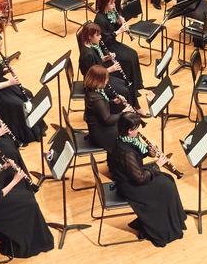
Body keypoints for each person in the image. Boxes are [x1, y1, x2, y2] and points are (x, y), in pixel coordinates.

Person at [106, 112, 187, 247]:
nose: (138, 130)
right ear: (129, 130)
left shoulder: (124, 139)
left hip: (132, 176)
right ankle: (162, 228)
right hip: (130, 186)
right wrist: (157, 164)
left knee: (168, 179)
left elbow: (134, 160)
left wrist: (148, 152)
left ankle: (175, 220)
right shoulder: (126, 152)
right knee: (166, 186)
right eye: (136, 127)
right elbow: (140, 178)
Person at [0, 132, 54, 258]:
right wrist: (15, 180)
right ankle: (24, 243)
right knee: (29, 204)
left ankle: (27, 237)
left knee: (27, 196)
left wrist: (3, 168)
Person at [0, 32, 46, 144]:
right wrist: (10, 82)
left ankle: (35, 128)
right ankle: (25, 135)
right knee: (19, 105)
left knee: (28, 94)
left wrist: (6, 70)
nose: (0, 49)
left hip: (0, 85)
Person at [77, 22, 141, 111]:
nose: (100, 37)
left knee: (126, 83)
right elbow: (93, 74)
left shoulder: (91, 46)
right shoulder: (88, 54)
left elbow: (95, 64)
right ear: (90, 37)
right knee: (124, 90)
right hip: (95, 85)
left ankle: (134, 108)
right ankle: (124, 113)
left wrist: (105, 59)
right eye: (97, 35)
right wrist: (110, 69)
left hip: (100, 78)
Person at [93, 0, 145, 95]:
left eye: (114, 3)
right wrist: (118, 31)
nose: (114, 5)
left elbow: (112, 28)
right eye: (111, 3)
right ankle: (128, 87)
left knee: (133, 54)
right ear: (105, 5)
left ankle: (136, 86)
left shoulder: (110, 13)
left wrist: (118, 24)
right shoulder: (100, 19)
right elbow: (104, 39)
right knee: (127, 59)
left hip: (112, 43)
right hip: (106, 47)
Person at [83, 65, 133, 152]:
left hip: (100, 127)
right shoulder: (96, 98)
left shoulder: (93, 90)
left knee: (128, 129)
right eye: (106, 79)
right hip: (101, 134)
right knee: (128, 134)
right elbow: (108, 120)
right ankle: (123, 161)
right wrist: (123, 113)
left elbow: (100, 108)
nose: (107, 81)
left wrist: (114, 101)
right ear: (99, 80)